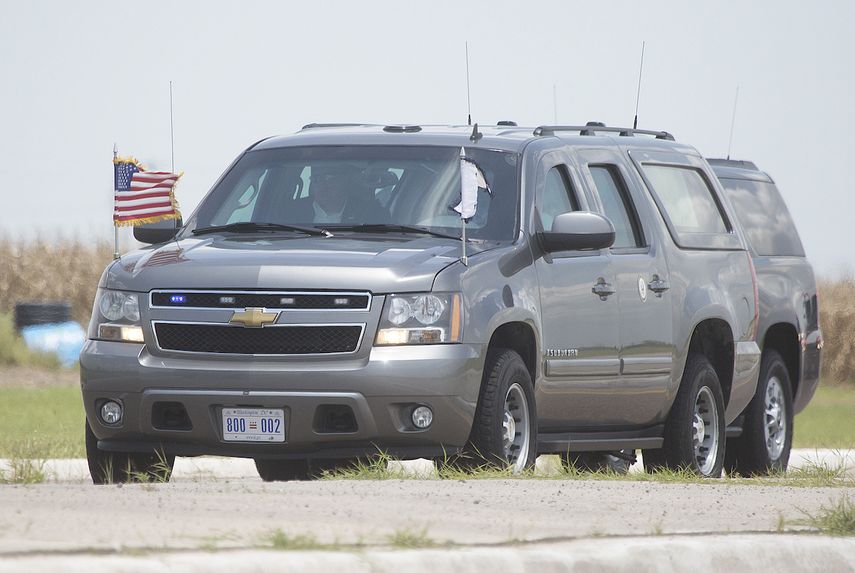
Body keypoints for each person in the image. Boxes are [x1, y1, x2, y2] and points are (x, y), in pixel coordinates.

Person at [291, 164, 385, 224]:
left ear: (344, 181)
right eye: (316, 179)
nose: (322, 184)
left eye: (329, 178)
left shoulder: (370, 213)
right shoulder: (290, 211)